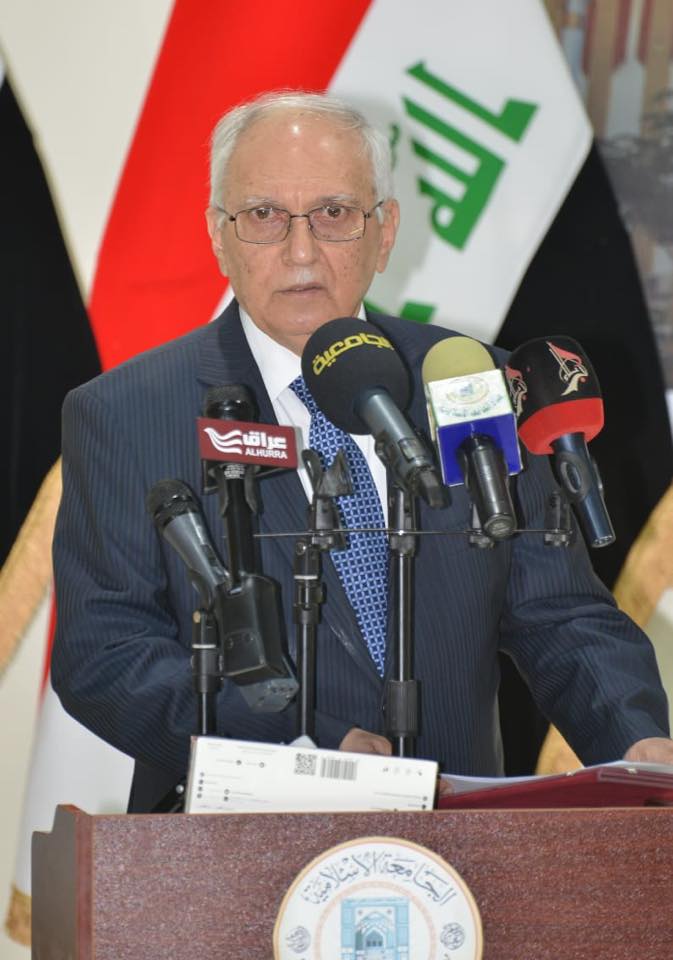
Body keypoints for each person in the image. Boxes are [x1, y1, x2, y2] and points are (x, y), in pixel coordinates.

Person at [52, 91, 673, 813]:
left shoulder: (473, 383)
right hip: (233, 840)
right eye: (264, 215)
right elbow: (107, 654)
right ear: (219, 234)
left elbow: (557, 613)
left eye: (334, 213)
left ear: (384, 232)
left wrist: (636, 742)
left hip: (460, 837)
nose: (301, 250)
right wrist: (304, 744)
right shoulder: (126, 412)